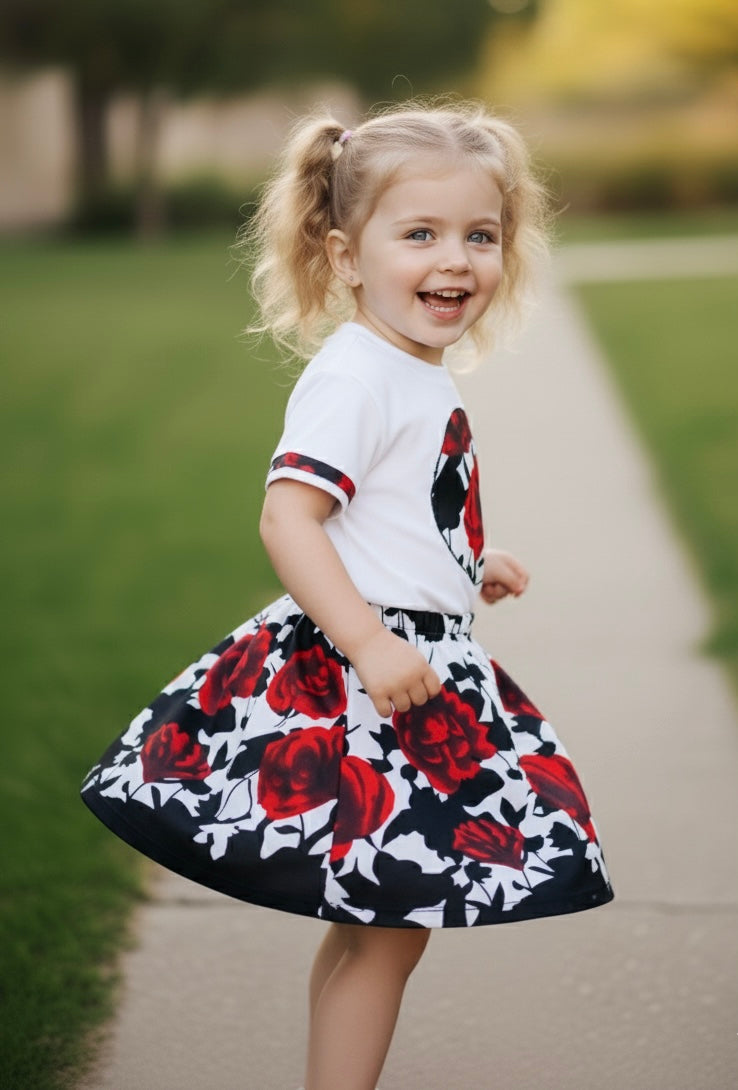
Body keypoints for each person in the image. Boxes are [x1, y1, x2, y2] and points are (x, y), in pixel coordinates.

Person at [81, 100, 613, 1090]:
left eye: (479, 236)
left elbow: (388, 508)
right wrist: (369, 641)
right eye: (420, 234)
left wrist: (466, 563)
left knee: (376, 923)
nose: (455, 260)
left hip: (410, 658)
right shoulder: (359, 376)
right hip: (375, 682)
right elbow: (289, 519)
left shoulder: (414, 374)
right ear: (346, 254)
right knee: (390, 926)